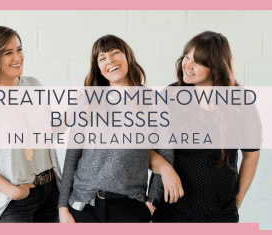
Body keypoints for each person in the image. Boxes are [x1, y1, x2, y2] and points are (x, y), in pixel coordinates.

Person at [58, 35, 180, 223]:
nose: (110, 61)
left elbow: (166, 154)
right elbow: (72, 154)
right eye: (102, 58)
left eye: (115, 53)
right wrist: (63, 207)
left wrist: (150, 205)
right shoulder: (88, 100)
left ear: (127, 57)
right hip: (83, 207)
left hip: (130, 208)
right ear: (98, 68)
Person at [151, 31, 261, 223]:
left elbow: (251, 153)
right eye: (186, 57)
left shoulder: (241, 102)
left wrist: (237, 200)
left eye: (198, 62)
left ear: (216, 67)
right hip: (171, 212)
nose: (188, 65)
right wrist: (165, 169)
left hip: (220, 214)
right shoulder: (170, 96)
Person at [0, 25, 61, 223]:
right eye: (8, 52)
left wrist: (75, 111)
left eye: (19, 49)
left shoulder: (34, 85)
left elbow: (49, 131)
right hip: (13, 201)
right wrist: (13, 192)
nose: (18, 57)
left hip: (51, 191)